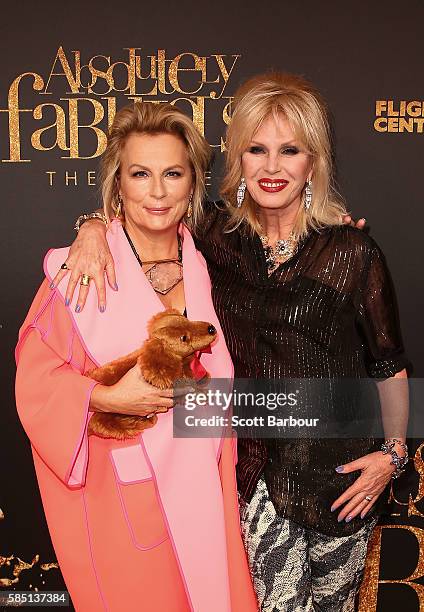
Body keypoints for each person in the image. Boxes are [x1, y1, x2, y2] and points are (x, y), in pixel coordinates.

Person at [55, 72, 409, 611]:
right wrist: (91, 228)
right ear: (238, 160)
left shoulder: (352, 252)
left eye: (289, 151)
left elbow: (388, 365)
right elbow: (147, 212)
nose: (272, 167)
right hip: (257, 478)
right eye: (256, 150)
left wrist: (392, 454)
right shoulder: (214, 238)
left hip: (343, 481)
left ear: (312, 162)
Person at [15, 102, 257, 612]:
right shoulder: (82, 270)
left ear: (193, 182)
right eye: (140, 173)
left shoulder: (210, 261)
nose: (157, 190)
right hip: (124, 505)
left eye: (173, 173)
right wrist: (106, 395)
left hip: (205, 499)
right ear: (117, 183)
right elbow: (35, 382)